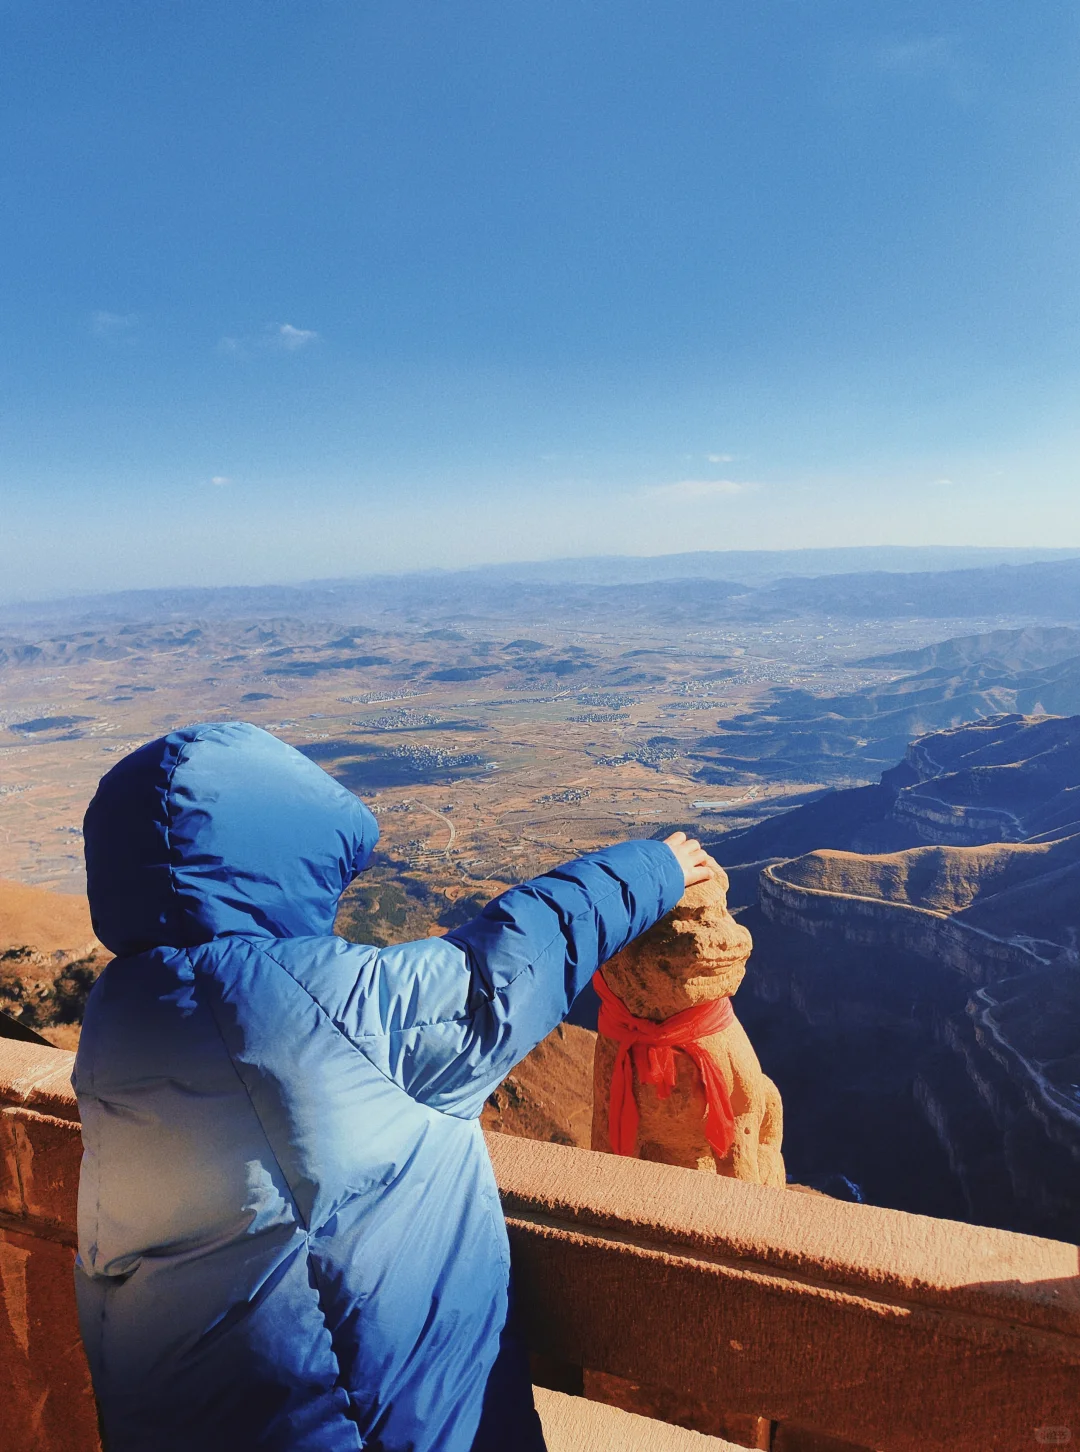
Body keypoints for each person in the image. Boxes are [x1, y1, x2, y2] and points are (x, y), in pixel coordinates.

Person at [74, 721, 710, 1452]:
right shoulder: (321, 1005)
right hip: (356, 1422)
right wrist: (655, 867)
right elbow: (505, 967)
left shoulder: (118, 1019)